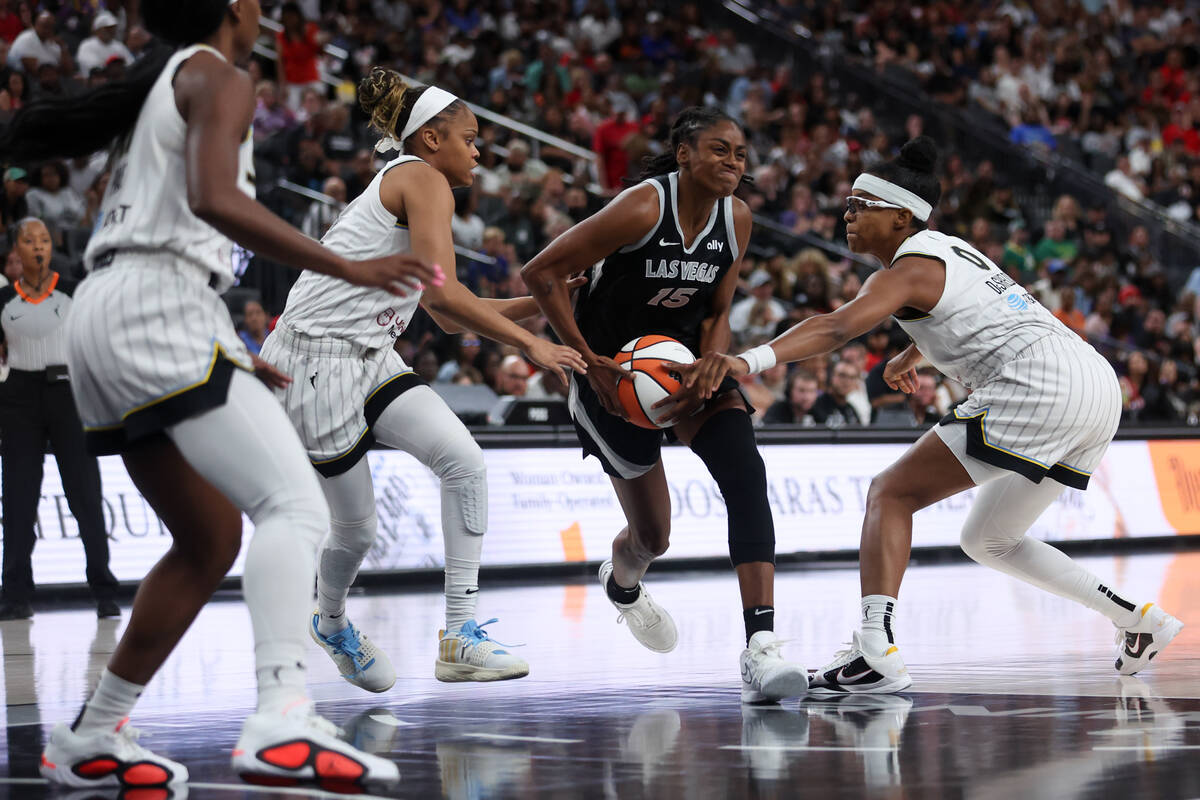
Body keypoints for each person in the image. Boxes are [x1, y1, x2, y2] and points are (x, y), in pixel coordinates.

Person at [0, 0, 440, 789]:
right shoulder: (222, 74)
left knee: (208, 542)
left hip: (111, 314)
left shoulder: (164, 84)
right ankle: (280, 716)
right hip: (157, 305)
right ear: (238, 6)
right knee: (297, 507)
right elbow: (210, 202)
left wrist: (228, 352)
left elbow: (164, 220)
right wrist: (351, 266)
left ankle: (92, 734)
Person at [687, 136, 1184, 693]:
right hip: (1094, 384)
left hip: (1042, 381)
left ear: (900, 217)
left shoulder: (906, 271)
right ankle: (1138, 620)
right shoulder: (951, 250)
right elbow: (982, 309)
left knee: (890, 493)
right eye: (848, 204)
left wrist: (744, 359)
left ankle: (876, 649)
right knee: (990, 539)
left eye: (860, 206)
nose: (846, 215)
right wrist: (912, 350)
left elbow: (835, 327)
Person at [260, 67, 585, 691]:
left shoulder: (419, 183)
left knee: (464, 461)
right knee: (355, 532)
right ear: (432, 139)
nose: (479, 149)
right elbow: (448, 294)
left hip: (369, 352)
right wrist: (532, 343)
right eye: (470, 136)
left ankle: (459, 637)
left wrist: (540, 308)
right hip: (315, 360)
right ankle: (329, 621)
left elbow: (442, 309)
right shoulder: (422, 178)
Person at [522, 107, 808, 704]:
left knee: (745, 474)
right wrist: (588, 362)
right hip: (613, 379)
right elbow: (541, 273)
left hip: (682, 364)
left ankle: (761, 647)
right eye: (720, 150)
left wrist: (714, 358)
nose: (733, 162)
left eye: (741, 154)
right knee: (653, 537)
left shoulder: (738, 219)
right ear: (684, 153)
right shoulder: (643, 207)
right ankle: (624, 584)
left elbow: (719, 310)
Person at [0, 218, 120, 620]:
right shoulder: (3, 300)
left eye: (44, 240)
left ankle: (104, 589)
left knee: (85, 493)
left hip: (67, 394)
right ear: (15, 250)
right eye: (28, 240)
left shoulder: (73, 291)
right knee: (18, 497)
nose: (37, 246)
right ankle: (14, 594)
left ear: (52, 247)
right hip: (18, 397)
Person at [76, 11, 134, 77]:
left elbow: (131, 64)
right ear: (98, 29)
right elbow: (92, 67)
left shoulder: (119, 46)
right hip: (95, 83)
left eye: (112, 28)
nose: (111, 31)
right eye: (107, 28)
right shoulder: (87, 45)